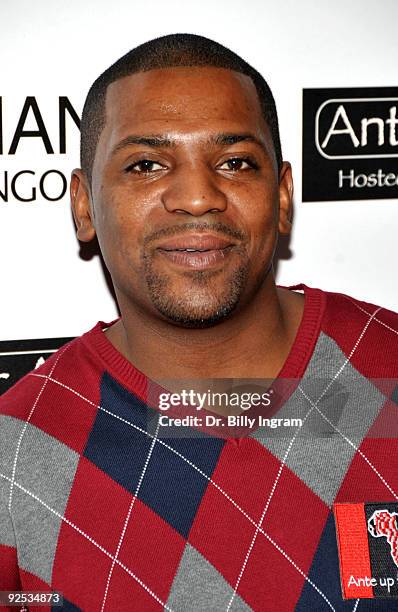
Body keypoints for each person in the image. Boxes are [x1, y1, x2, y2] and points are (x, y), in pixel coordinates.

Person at [0, 33, 397, 612]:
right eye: (146, 165)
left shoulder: (388, 370)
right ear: (83, 206)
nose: (196, 197)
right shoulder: (17, 449)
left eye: (234, 162)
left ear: (283, 196)